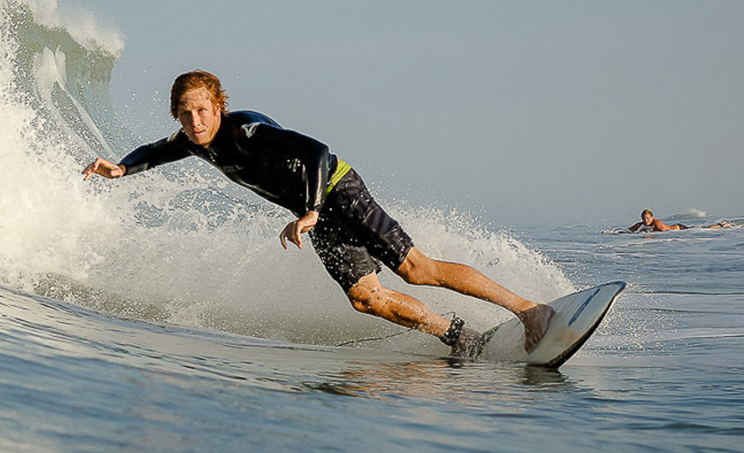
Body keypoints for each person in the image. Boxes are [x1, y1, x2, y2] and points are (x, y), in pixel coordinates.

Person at [82, 70, 554, 355]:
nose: (195, 121)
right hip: (314, 212)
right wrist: (121, 168)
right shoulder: (192, 140)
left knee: (417, 270)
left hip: (336, 190)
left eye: (203, 110)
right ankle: (459, 337)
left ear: (219, 106)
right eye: (185, 114)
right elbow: (156, 151)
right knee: (366, 298)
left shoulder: (245, 130)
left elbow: (317, 152)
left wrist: (310, 209)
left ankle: (529, 309)